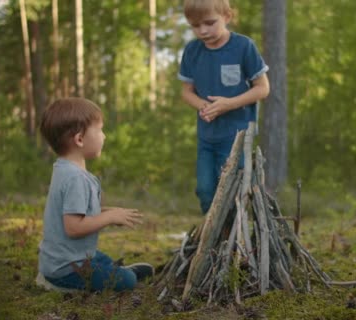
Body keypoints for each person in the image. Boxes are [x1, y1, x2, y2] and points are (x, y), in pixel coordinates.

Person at [35, 97, 153, 293]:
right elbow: (73, 227)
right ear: (80, 139)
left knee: (101, 258)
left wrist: (108, 212)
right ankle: (56, 284)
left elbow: (78, 212)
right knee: (128, 281)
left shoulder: (64, 169)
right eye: (99, 130)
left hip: (68, 258)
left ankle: (111, 270)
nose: (104, 136)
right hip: (67, 270)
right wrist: (107, 217)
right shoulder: (75, 179)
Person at [179, 0, 270, 214]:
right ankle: (212, 237)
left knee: (232, 189)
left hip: (236, 135)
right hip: (207, 136)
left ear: (227, 16)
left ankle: (232, 239)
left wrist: (229, 104)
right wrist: (202, 105)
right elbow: (186, 92)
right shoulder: (192, 51)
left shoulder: (243, 47)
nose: (202, 30)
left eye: (209, 23)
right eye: (195, 25)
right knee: (205, 190)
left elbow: (263, 88)